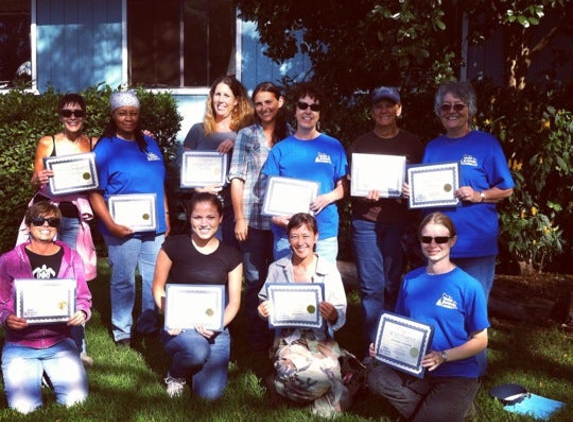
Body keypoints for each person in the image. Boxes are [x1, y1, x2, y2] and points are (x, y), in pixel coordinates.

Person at [367, 212, 489, 422]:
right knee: (377, 378)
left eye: (441, 239)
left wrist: (444, 356)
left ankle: (451, 407)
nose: (433, 244)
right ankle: (454, 410)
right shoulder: (411, 280)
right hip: (416, 369)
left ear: (452, 241)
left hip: (456, 374)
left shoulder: (469, 286)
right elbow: (400, 326)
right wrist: (382, 347)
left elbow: (481, 340)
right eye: (426, 239)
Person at [419, 81, 514, 299]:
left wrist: (479, 195)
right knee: (442, 306)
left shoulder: (486, 143)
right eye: (445, 106)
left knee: (473, 306)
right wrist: (412, 192)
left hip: (476, 242)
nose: (452, 111)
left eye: (458, 106)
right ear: (438, 111)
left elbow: (506, 189)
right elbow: (424, 190)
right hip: (438, 243)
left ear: (469, 109)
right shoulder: (433, 147)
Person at [89, 91, 170, 346]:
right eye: (122, 113)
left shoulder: (148, 142)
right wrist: (111, 225)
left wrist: (166, 214)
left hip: (154, 225)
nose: (129, 118)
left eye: (133, 113)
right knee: (124, 279)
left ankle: (147, 325)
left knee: (152, 278)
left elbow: (159, 183)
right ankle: (122, 330)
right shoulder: (104, 148)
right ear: (113, 115)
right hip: (121, 226)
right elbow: (94, 191)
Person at [24, 92, 98, 366]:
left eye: (78, 113)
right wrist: (38, 177)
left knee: (71, 275)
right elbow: (35, 178)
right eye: (67, 113)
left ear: (84, 116)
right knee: (39, 272)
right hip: (46, 215)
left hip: (73, 217)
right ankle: (37, 340)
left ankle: (78, 346)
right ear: (60, 116)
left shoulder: (93, 143)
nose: (73, 118)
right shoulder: (48, 142)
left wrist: (144, 135)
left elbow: (121, 143)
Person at [349, 86, 424, 348]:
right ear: (371, 111)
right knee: (371, 287)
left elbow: (422, 184)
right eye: (379, 106)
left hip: (399, 223)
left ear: (399, 109)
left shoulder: (413, 144)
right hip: (365, 222)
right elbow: (350, 186)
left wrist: (411, 190)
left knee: (392, 284)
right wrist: (361, 194)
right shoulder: (360, 143)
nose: (384, 110)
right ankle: (374, 349)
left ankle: (394, 346)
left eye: (389, 105)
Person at [0, 202, 91, 414]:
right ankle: (38, 373)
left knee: (76, 402)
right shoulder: (8, 260)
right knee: (24, 408)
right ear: (29, 225)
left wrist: (82, 311)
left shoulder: (72, 257)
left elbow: (83, 297)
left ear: (58, 226)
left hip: (60, 343)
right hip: (20, 346)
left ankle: (50, 372)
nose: (46, 225)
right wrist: (5, 318)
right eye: (39, 220)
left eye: (53, 221)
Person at [257, 213, 349, 418]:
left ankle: (291, 391)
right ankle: (281, 381)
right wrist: (263, 311)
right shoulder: (277, 269)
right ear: (288, 239)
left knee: (332, 387)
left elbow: (341, 312)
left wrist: (333, 314)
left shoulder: (329, 271)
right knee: (320, 381)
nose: (300, 242)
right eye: (294, 236)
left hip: (320, 341)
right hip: (289, 340)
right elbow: (265, 301)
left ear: (316, 237)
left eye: (306, 236)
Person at [152, 193, 242, 400]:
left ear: (220, 219)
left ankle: (194, 364)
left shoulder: (232, 255)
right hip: (179, 326)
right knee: (196, 351)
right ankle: (175, 375)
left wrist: (217, 325)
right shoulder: (172, 246)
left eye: (210, 217)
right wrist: (171, 316)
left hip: (215, 326)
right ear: (189, 218)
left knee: (208, 396)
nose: (204, 223)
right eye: (197, 217)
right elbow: (158, 288)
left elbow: (235, 301)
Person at [228, 81, 291, 352]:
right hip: (252, 218)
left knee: (282, 279)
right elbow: (237, 178)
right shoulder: (246, 135)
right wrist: (239, 218)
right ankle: (256, 337)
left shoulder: (291, 134)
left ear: (281, 102)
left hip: (283, 221)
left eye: (269, 101)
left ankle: (282, 335)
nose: (264, 107)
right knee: (254, 280)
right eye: (259, 103)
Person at [261, 82, 348, 263]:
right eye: (303, 106)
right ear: (295, 110)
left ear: (319, 114)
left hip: (324, 232)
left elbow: (342, 187)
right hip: (287, 235)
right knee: (288, 287)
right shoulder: (280, 149)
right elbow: (268, 192)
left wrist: (328, 197)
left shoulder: (333, 146)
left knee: (322, 285)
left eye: (314, 107)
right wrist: (276, 217)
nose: (308, 111)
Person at [183, 75, 254, 248]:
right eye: (217, 94)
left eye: (226, 95)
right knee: (203, 256)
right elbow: (185, 170)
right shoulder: (197, 130)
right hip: (203, 207)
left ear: (236, 101)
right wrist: (200, 189)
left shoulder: (246, 132)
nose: (221, 100)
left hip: (233, 208)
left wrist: (238, 141)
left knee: (230, 256)